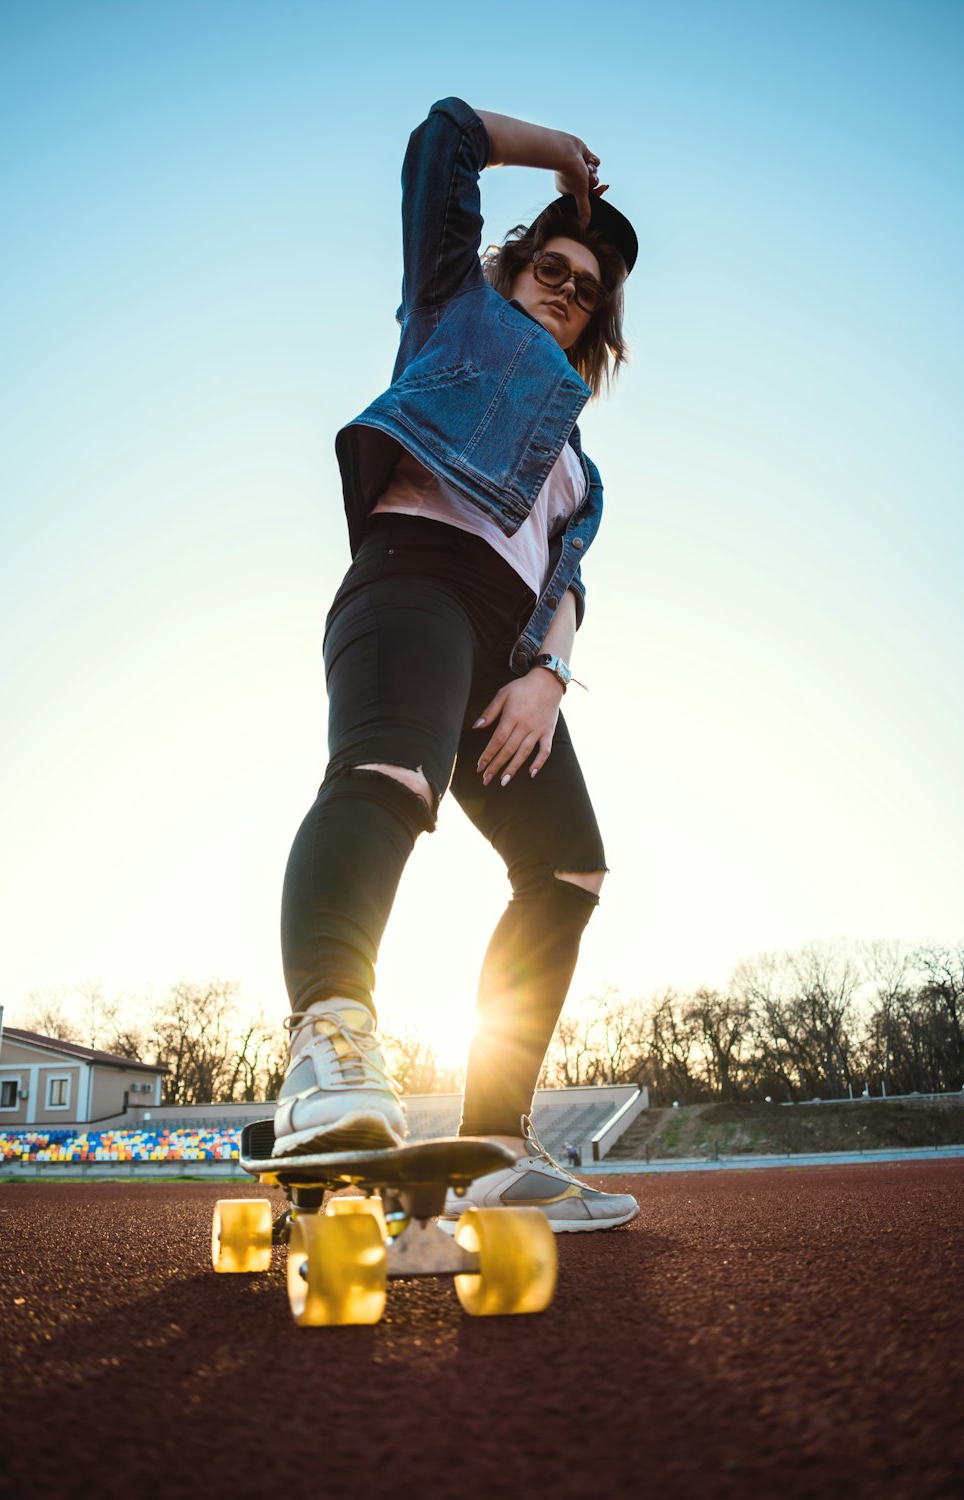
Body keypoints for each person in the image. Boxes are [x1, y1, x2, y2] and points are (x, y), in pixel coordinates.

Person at [274, 98, 640, 1232]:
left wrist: (544, 675)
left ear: (596, 327)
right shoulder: (454, 312)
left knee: (569, 871)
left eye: (585, 289)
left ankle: (492, 1145)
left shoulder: (579, 467)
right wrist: (559, 156)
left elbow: (568, 582)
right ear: (516, 263)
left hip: (511, 655)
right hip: (414, 580)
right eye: (552, 266)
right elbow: (442, 139)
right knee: (392, 780)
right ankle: (329, 1048)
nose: (565, 289)